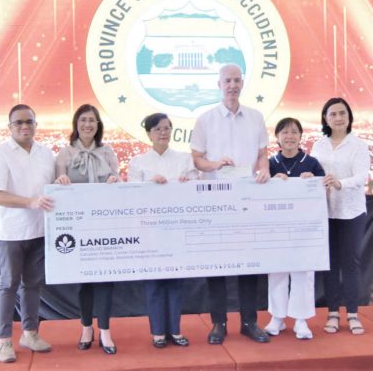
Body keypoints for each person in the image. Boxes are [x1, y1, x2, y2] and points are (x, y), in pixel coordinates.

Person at [190, 64, 271, 345]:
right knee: (217, 266)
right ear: (219, 84)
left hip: (248, 203)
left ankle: (249, 321)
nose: (232, 85)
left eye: (237, 80)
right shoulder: (205, 119)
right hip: (215, 202)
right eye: (228, 81)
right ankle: (218, 323)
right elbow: (197, 159)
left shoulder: (256, 117)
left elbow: (263, 154)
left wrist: (264, 169)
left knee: (250, 264)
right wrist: (216, 164)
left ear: (242, 83)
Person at [0, 104, 55, 363]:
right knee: (9, 285)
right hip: (11, 232)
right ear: (10, 126)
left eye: (29, 121)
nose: (25, 126)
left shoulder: (47, 153)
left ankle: (30, 333)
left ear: (36, 124)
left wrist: (63, 182)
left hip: (39, 230)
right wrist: (30, 202)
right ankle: (4, 342)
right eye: (19, 122)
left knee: (33, 285)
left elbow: (54, 186)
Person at [128, 113, 199, 348]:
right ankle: (158, 331)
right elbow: (130, 195)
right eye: (158, 129)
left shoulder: (184, 159)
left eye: (167, 128)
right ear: (148, 133)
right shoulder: (138, 162)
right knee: (154, 282)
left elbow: (195, 187)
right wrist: (149, 185)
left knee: (176, 282)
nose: (163, 132)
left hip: (177, 227)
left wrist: (187, 183)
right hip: (149, 229)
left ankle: (176, 330)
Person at [54, 104, 120, 354]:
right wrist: (60, 182)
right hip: (78, 229)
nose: (88, 125)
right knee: (84, 283)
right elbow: (57, 188)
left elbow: (118, 185)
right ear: (76, 123)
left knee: (105, 281)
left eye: (92, 120)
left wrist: (116, 180)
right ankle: (85, 327)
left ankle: (105, 330)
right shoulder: (65, 154)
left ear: (98, 124)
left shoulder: (108, 152)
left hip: (104, 227)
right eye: (83, 120)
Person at [310, 97, 370, 336]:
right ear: (325, 118)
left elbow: (361, 177)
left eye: (341, 113)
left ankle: (353, 313)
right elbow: (314, 174)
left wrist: (339, 183)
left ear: (349, 117)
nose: (337, 118)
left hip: (352, 212)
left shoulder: (359, 145)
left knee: (352, 263)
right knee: (330, 264)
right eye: (332, 114)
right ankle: (333, 312)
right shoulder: (318, 145)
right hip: (326, 212)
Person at [263, 117, 325, 340]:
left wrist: (313, 182)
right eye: (284, 132)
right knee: (277, 271)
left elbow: (324, 193)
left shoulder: (312, 163)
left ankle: (301, 320)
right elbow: (258, 195)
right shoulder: (270, 164)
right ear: (277, 137)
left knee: (303, 273)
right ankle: (277, 317)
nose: (289, 136)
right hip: (276, 230)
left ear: (300, 136)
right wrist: (271, 182)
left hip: (304, 230)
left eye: (294, 132)